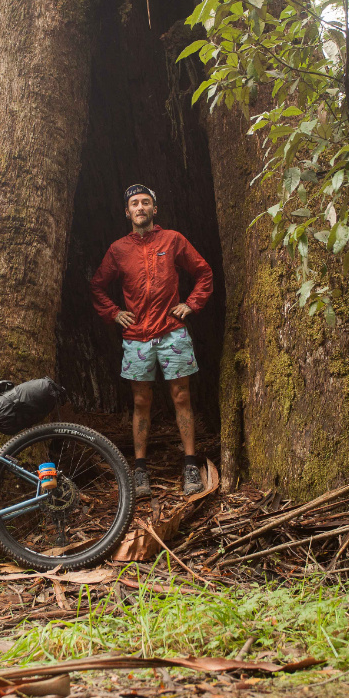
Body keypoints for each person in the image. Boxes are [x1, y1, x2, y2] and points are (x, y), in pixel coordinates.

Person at [90, 184, 213, 497]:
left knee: (181, 397)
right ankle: (140, 469)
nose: (140, 207)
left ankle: (189, 464)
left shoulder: (172, 240)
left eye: (146, 202)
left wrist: (192, 303)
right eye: (135, 203)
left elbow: (203, 272)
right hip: (137, 337)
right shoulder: (118, 249)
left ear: (154, 209)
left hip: (172, 332)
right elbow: (98, 285)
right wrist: (114, 313)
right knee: (141, 402)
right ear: (127, 212)